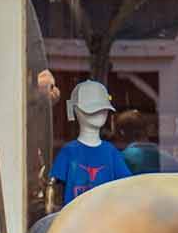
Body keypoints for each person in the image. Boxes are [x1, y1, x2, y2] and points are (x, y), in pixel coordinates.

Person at [47, 78, 133, 206]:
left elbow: (127, 187)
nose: (100, 113)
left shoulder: (111, 152)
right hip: (74, 220)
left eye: (102, 108)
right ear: (75, 109)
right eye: (94, 109)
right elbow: (54, 189)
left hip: (104, 220)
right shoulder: (69, 152)